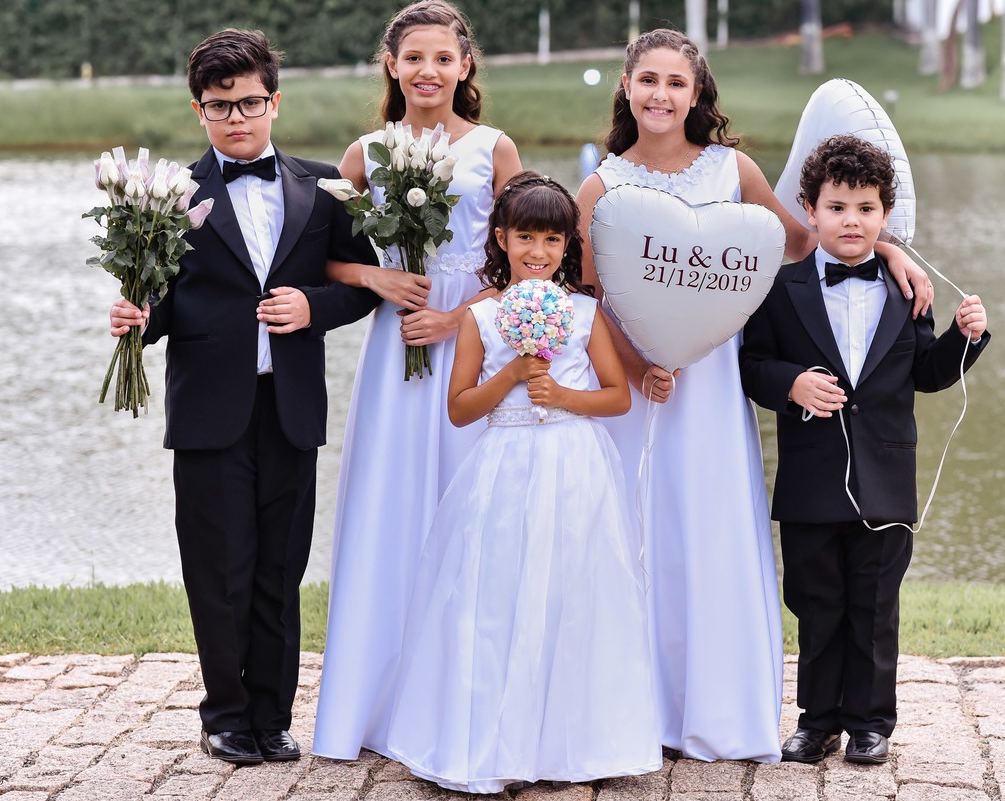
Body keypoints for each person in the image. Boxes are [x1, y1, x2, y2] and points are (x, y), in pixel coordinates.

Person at [573, 29, 934, 763]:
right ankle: (631, 711)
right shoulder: (601, 186)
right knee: (639, 537)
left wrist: (888, 245)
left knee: (709, 535)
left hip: (710, 390)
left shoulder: (733, 171)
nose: (662, 95)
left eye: (677, 82)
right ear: (627, 87)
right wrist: (637, 365)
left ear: (698, 93)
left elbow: (805, 242)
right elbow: (585, 296)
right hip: (638, 387)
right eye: (648, 80)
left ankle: (716, 713)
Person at [106, 30, 379, 764]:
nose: (237, 117)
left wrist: (313, 308)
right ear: (200, 110)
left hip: (290, 407)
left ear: (274, 102)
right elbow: (160, 302)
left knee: (279, 569)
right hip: (208, 409)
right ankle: (224, 713)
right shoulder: (167, 194)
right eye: (220, 106)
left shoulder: (323, 190)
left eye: (250, 102)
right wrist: (139, 317)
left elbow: (363, 288)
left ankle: (272, 713)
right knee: (218, 568)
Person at [383, 171, 660, 792]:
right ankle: (492, 745)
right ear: (502, 238)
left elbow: (617, 398)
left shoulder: (587, 313)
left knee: (574, 593)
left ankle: (568, 747)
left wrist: (562, 393)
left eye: (552, 241)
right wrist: (510, 377)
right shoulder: (480, 313)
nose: (538, 252)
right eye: (526, 237)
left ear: (569, 248)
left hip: (575, 466)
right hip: (504, 463)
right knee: (497, 593)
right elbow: (459, 408)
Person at [314, 0, 523, 761]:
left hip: (475, 349)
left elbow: (532, 262)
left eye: (443, 58)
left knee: (474, 509)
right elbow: (324, 262)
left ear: (465, 67)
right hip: (395, 354)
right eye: (414, 58)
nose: (428, 71)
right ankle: (379, 706)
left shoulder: (495, 149)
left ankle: (472, 700)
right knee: (393, 507)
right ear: (392, 66)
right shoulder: (365, 155)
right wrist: (377, 274)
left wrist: (460, 314)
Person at [739, 134, 989, 765]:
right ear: (810, 209)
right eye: (838, 207)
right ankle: (815, 720)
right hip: (809, 482)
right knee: (816, 604)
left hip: (886, 476)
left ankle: (871, 722)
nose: (852, 221)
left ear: (885, 217)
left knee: (876, 608)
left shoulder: (911, 293)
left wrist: (966, 339)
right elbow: (749, 366)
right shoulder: (780, 286)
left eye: (866, 209)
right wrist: (790, 382)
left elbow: (927, 374)